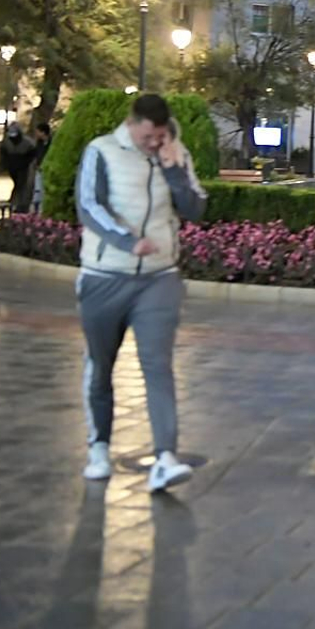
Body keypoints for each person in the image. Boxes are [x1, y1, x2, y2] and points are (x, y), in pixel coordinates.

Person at [75, 94, 208, 492]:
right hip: (104, 275)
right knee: (101, 367)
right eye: (149, 136)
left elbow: (196, 208)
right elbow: (88, 205)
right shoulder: (101, 151)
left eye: (161, 135)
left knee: (157, 365)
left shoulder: (175, 153)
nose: (155, 142)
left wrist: (173, 172)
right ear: (133, 125)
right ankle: (99, 446)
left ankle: (165, 457)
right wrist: (124, 240)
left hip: (159, 276)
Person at [0, 123, 39, 213]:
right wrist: (5, 164)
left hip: (23, 167)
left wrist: (26, 162)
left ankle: (19, 204)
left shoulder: (27, 143)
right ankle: (17, 202)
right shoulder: (6, 142)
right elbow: (3, 154)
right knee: (18, 184)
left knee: (21, 184)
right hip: (12, 167)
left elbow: (33, 154)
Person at [31, 123, 53, 211]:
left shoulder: (52, 143)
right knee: (37, 189)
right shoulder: (39, 143)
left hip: (48, 170)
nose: (36, 133)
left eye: (38, 131)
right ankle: (36, 208)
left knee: (44, 190)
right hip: (39, 169)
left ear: (43, 132)